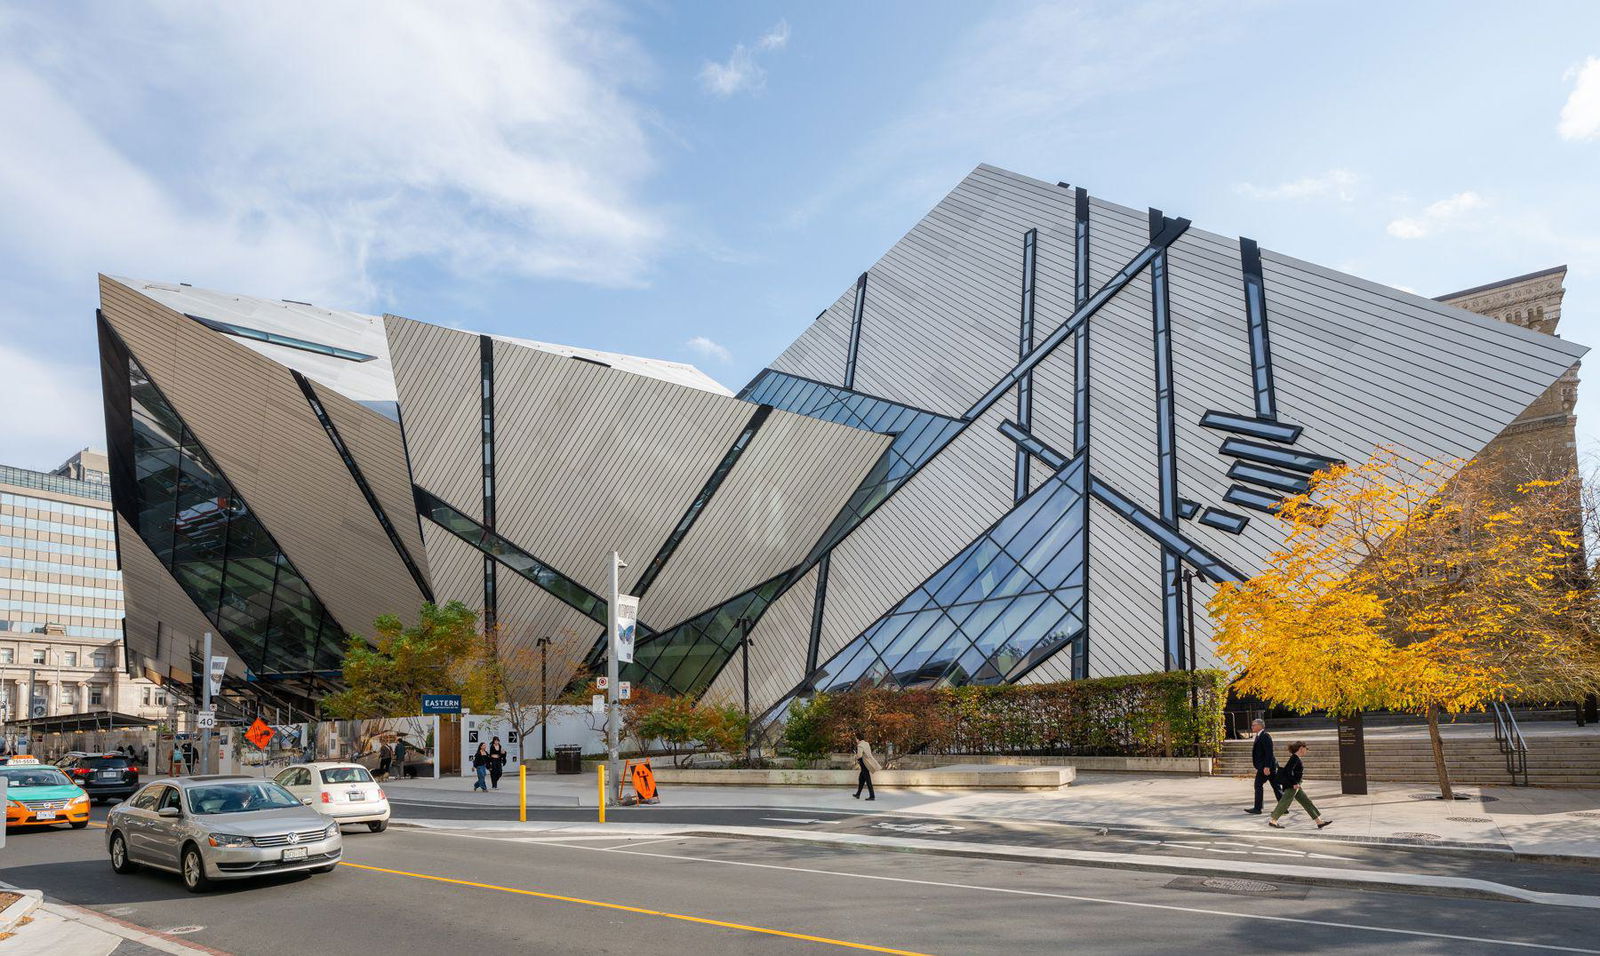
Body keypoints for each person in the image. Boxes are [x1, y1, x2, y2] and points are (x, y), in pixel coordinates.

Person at [1268, 741, 1333, 829]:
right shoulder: (1294, 758)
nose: (1306, 751)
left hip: (1296, 785)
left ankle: (1319, 821)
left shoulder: (1295, 758)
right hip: (1293, 786)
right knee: (1285, 802)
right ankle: (1273, 820)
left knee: (1306, 802)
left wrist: (1297, 783)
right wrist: (1294, 783)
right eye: (1306, 749)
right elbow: (1288, 772)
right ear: (1301, 748)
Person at [1245, 718, 1282, 815]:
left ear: (1260, 726)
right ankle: (1283, 808)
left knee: (1260, 785)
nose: (1252, 727)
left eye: (1254, 725)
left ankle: (1258, 808)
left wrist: (1267, 767)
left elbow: (1269, 753)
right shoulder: (1258, 735)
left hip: (1267, 767)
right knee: (1275, 786)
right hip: (1264, 766)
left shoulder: (1265, 736)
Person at [852, 734, 880, 801]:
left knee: (868, 780)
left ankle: (872, 796)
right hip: (867, 763)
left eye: (856, 739)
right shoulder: (866, 743)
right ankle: (858, 794)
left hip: (864, 764)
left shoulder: (860, 745)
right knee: (861, 779)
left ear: (858, 739)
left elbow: (859, 755)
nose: (856, 740)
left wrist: (855, 756)